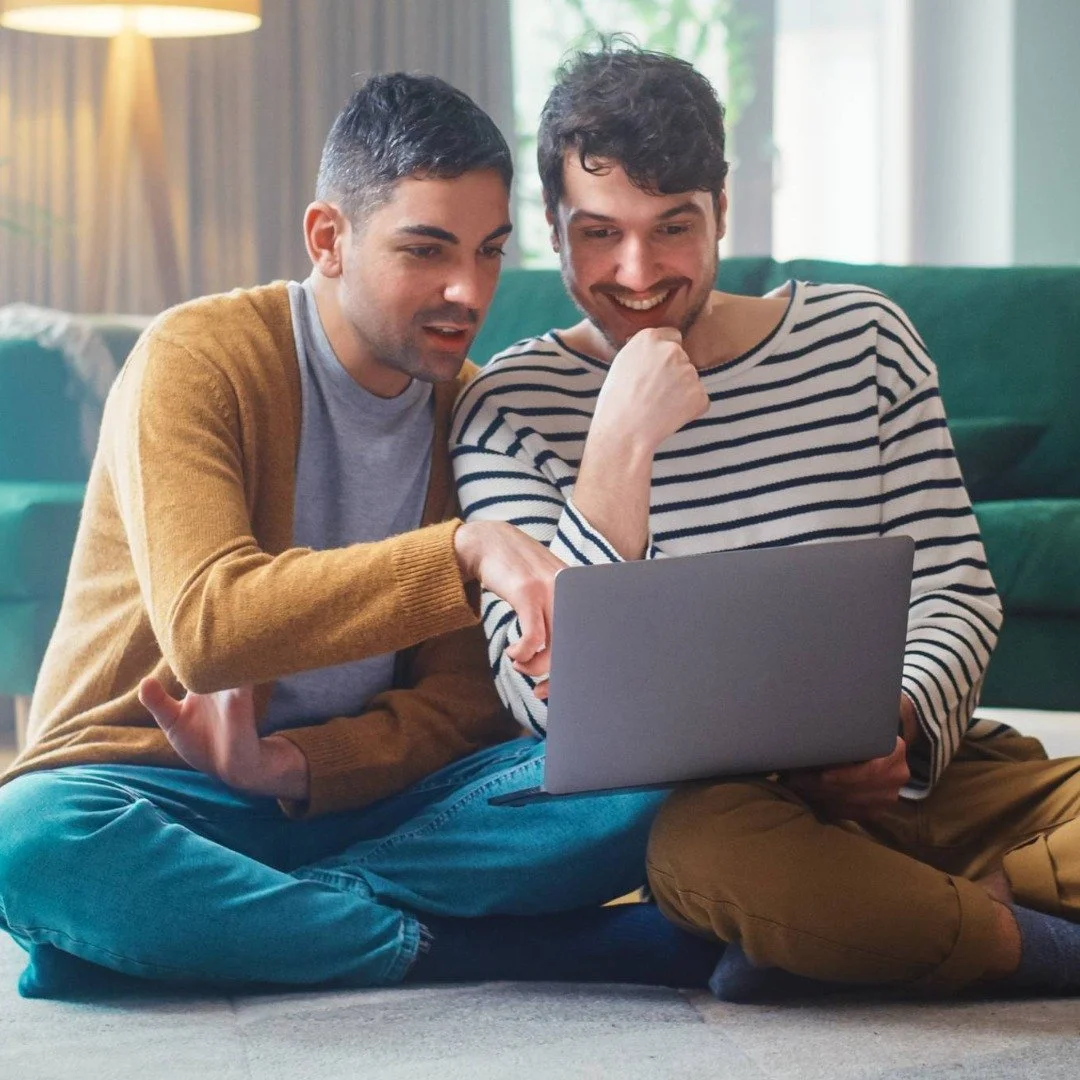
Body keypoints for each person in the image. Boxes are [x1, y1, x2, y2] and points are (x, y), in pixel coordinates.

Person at [0, 72, 720, 1000]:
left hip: (367, 812)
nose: (468, 291)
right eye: (426, 250)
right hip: (159, 791)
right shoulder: (198, 357)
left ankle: (239, 926)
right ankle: (490, 952)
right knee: (32, 841)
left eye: (490, 252)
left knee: (645, 774)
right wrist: (463, 549)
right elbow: (210, 628)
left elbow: (465, 709)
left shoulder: (468, 408)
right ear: (328, 238)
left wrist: (295, 764)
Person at [450, 42, 1080, 1000]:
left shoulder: (864, 338)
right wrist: (619, 443)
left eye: (673, 227)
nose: (637, 270)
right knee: (705, 855)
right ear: (551, 228)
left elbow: (954, 584)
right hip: (724, 814)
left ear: (722, 211)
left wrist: (899, 727)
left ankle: (902, 920)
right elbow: (546, 701)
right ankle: (1027, 944)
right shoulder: (506, 402)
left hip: (914, 774)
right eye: (598, 234)